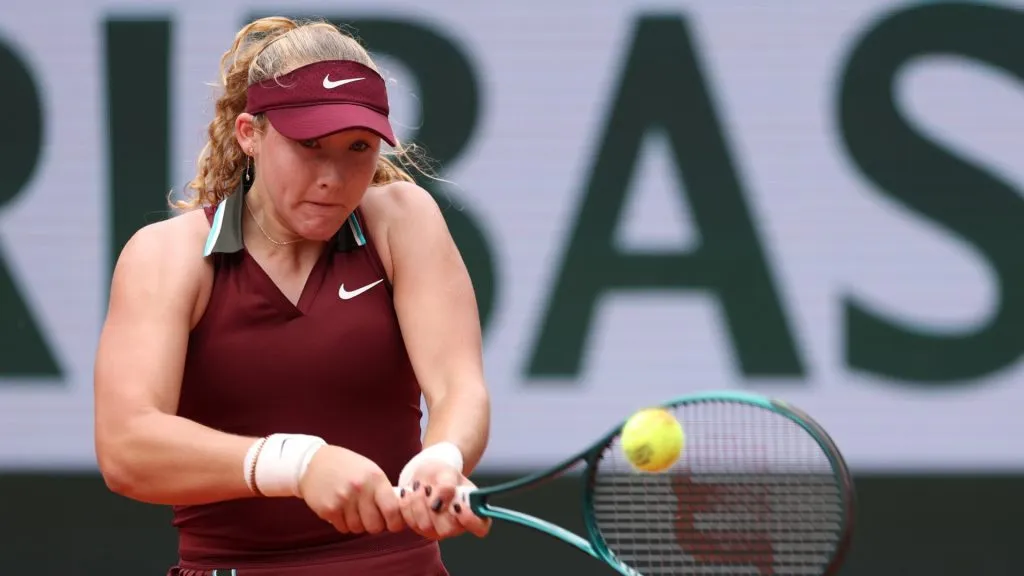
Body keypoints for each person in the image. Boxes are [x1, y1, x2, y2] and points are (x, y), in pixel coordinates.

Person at [93, 16, 492, 576]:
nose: (334, 176)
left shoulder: (403, 221)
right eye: (309, 144)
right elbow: (126, 447)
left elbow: (458, 388)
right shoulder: (166, 256)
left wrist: (443, 457)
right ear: (249, 134)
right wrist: (297, 463)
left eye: (358, 147)